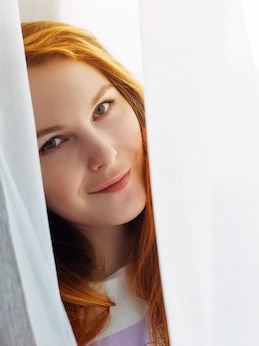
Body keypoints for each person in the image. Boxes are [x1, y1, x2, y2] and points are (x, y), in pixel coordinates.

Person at [21, 21, 168, 346]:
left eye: (102, 109)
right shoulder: (31, 327)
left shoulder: (209, 247)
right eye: (53, 142)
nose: (104, 153)